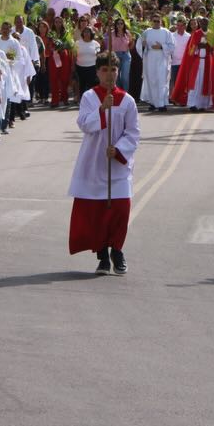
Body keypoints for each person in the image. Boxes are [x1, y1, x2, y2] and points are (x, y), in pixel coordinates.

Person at [68, 52, 140, 275]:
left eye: (114, 70)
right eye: (105, 70)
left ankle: (117, 250)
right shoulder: (90, 97)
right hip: (93, 161)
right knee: (97, 211)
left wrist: (118, 149)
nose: (110, 75)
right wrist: (101, 110)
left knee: (120, 207)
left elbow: (133, 133)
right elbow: (84, 124)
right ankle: (102, 255)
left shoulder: (127, 100)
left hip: (116, 163)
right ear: (98, 72)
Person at [170, 19, 214, 112]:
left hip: (208, 62)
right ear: (200, 24)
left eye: (206, 23)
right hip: (198, 62)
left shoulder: (212, 34)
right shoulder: (196, 34)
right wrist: (198, 46)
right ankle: (192, 104)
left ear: (208, 24)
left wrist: (209, 47)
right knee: (196, 83)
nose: (204, 24)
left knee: (206, 83)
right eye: (202, 23)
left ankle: (203, 105)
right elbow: (190, 50)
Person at [134, 13, 174, 112]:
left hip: (162, 58)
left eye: (158, 21)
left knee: (161, 80)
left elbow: (172, 46)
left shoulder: (166, 32)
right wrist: (144, 46)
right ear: (152, 21)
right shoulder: (146, 32)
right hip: (150, 58)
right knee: (151, 80)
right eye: (154, 21)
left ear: (161, 21)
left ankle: (162, 103)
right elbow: (139, 46)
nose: (156, 23)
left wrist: (161, 47)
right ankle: (152, 102)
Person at [74, 26, 101, 99]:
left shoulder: (96, 44)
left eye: (88, 32)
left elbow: (98, 55)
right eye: (85, 32)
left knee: (92, 86)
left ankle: (93, 100)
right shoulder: (77, 43)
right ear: (82, 33)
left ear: (91, 33)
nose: (86, 33)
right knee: (82, 85)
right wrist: (73, 67)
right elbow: (74, 55)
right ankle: (82, 100)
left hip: (92, 67)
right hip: (80, 67)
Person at [108, 17, 133, 92]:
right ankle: (118, 93)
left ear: (124, 25)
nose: (119, 25)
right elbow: (109, 45)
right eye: (118, 23)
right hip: (115, 55)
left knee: (125, 77)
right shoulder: (112, 33)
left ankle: (125, 94)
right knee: (116, 76)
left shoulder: (127, 33)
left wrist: (133, 42)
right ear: (115, 25)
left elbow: (131, 45)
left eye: (121, 23)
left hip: (126, 55)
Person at [170, 18, 191, 86]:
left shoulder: (189, 36)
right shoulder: (171, 35)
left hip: (185, 63)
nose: (179, 27)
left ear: (185, 26)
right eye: (178, 25)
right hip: (174, 64)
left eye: (181, 25)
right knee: (175, 83)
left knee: (185, 83)